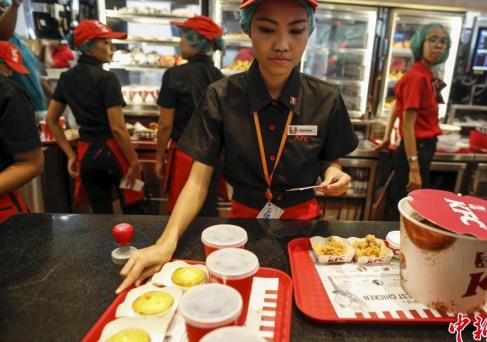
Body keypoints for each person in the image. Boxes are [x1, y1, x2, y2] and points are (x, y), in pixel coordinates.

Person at [116, 0, 359, 293]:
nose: (283, 44)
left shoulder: (326, 98)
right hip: (242, 225)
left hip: (304, 228)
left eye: (296, 31)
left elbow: (329, 160)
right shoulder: (220, 96)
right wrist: (164, 243)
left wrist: (336, 174)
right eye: (267, 29)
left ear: (310, 33)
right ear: (248, 30)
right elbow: (197, 181)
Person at [45, 20, 143, 214]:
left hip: (86, 154)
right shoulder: (107, 79)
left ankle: (103, 245)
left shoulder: (67, 78)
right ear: (90, 45)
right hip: (113, 153)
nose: (112, 48)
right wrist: (134, 161)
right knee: (134, 209)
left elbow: (51, 119)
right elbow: (118, 128)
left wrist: (70, 154)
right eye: (106, 43)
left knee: (100, 215)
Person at [156, 16, 225, 215]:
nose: (180, 42)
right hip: (212, 157)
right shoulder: (220, 77)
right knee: (208, 211)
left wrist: (160, 158)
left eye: (182, 37)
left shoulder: (174, 75)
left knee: (182, 212)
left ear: (195, 41)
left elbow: (165, 125)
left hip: (186, 155)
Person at [384, 23, 450, 220]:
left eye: (443, 41)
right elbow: (407, 125)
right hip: (416, 151)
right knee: (408, 210)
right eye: (432, 40)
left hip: (417, 150)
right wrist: (414, 168)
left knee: (407, 206)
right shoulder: (417, 78)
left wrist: (387, 137)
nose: (438, 45)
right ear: (420, 42)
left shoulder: (427, 76)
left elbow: (397, 104)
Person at [0, 41, 44, 222]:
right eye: (9, 69)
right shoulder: (9, 91)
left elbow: (30, 163)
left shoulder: (8, 92)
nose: (10, 74)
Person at [0, 0, 49, 113]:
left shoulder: (19, 41)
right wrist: (15, 6)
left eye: (4, 6)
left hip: (38, 109)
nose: (1, 9)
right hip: (18, 111)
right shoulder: (3, 41)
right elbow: (2, 35)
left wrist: (58, 97)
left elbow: (35, 75)